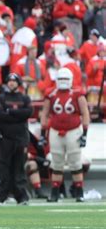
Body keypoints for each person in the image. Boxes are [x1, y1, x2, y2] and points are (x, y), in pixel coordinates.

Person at [40, 68, 90, 202]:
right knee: (56, 163)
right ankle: (55, 193)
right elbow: (44, 113)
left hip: (73, 131)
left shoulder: (77, 94)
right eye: (60, 79)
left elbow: (85, 113)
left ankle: (79, 192)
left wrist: (85, 133)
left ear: (71, 80)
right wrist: (42, 133)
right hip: (55, 131)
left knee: (75, 162)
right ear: (56, 80)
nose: (63, 82)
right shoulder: (50, 94)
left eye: (65, 80)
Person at [0, 73, 33, 205]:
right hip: (5, 138)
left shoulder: (24, 98)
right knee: (3, 168)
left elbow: (28, 113)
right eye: (9, 81)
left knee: (19, 168)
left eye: (14, 81)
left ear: (18, 83)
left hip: (20, 138)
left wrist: (10, 111)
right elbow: (0, 115)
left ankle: (21, 196)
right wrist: (18, 115)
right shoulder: (1, 98)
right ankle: (1, 196)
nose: (11, 83)